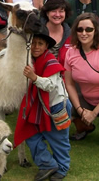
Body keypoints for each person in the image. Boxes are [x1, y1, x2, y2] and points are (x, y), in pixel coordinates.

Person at [14, 26, 71, 181]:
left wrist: (34, 77)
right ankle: (47, 164)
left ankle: (63, 168)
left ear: (46, 46)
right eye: (33, 43)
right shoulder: (31, 60)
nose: (36, 47)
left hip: (56, 106)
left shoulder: (51, 62)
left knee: (58, 139)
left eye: (40, 44)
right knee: (31, 134)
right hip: (39, 106)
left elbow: (50, 85)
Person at [64, 13, 99, 147]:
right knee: (63, 106)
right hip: (86, 98)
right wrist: (80, 110)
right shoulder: (71, 53)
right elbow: (69, 84)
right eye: (80, 29)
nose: (84, 33)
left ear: (95, 31)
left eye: (88, 29)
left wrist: (94, 113)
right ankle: (84, 127)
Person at [40, 0, 72, 65]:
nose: (57, 15)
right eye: (53, 11)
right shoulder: (38, 32)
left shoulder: (71, 35)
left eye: (61, 11)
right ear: (47, 13)